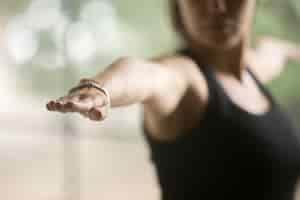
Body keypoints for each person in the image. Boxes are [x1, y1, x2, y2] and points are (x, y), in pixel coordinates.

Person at [47, 0, 300, 199]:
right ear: (178, 6)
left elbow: (273, 50)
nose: (217, 6)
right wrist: (100, 88)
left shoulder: (252, 70)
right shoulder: (183, 78)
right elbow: (142, 74)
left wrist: (289, 50)